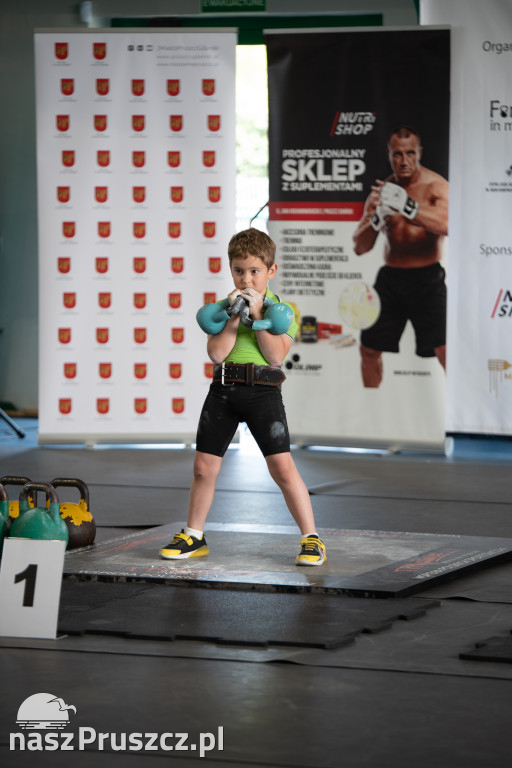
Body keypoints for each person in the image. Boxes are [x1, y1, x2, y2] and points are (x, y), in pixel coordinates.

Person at [159, 228, 326, 566]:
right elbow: (217, 354)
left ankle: (312, 539)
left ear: (271, 272)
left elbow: (276, 356)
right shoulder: (222, 310)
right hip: (223, 390)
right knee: (204, 467)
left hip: (263, 392)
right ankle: (194, 535)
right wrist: (236, 315)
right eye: (239, 271)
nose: (247, 279)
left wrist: (260, 315)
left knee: (281, 467)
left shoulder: (282, 311)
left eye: (255, 271)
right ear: (230, 269)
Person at [352, 125, 449, 387]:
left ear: (419, 152)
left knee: (446, 351)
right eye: (397, 154)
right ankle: (370, 411)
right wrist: (375, 220)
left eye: (410, 153)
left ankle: (459, 415)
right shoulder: (381, 194)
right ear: (388, 154)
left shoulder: (436, 186)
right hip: (390, 280)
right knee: (369, 349)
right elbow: (360, 247)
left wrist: (407, 206)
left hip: (427, 279)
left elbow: (448, 225)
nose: (404, 161)